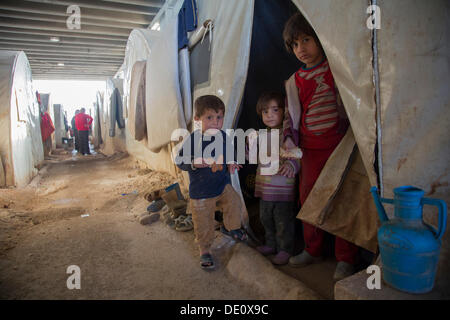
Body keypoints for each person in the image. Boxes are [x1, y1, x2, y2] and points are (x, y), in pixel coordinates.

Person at [282, 12, 358, 280]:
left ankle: (346, 258)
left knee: (341, 200)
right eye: (295, 44)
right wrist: (290, 146)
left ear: (320, 38)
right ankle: (313, 249)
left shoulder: (337, 68)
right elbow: (290, 118)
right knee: (309, 200)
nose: (301, 48)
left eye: (306, 39)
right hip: (310, 152)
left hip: (340, 147)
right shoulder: (293, 82)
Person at [176, 95, 247, 270]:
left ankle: (232, 228)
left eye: (219, 117)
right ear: (197, 119)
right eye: (209, 117)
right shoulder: (193, 140)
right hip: (201, 192)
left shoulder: (224, 136)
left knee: (235, 202)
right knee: (204, 223)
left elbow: (230, 153)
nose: (215, 122)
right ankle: (205, 250)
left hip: (222, 185)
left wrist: (231, 163)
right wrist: (193, 162)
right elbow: (179, 160)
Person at [252, 92, 300, 265]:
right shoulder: (262, 135)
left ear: (285, 112)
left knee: (283, 222)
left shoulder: (288, 136)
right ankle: (271, 244)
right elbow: (255, 156)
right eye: (265, 111)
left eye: (274, 110)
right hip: (265, 189)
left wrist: (291, 165)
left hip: (282, 189)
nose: (269, 115)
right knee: (266, 219)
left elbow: (298, 156)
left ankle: (285, 249)